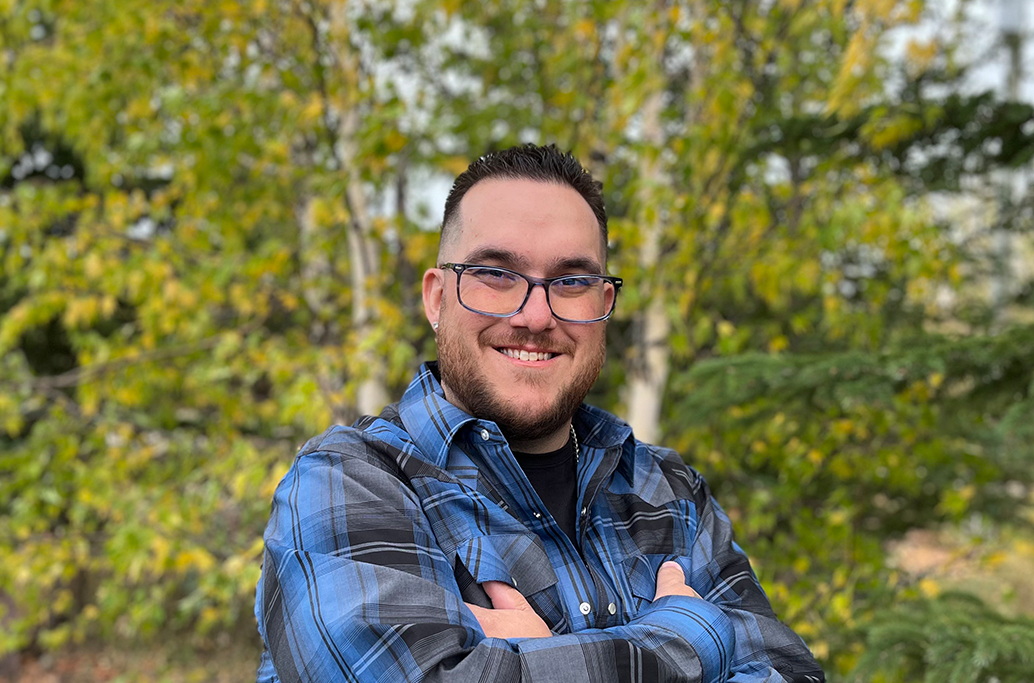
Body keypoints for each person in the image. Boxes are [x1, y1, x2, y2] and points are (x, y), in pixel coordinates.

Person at [254, 144, 825, 683]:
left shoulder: (668, 489)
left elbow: (791, 671)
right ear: (436, 298)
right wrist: (693, 635)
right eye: (496, 274)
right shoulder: (348, 480)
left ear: (604, 305)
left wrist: (532, 662)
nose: (534, 316)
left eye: (571, 281)